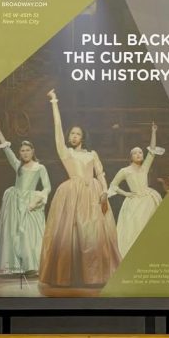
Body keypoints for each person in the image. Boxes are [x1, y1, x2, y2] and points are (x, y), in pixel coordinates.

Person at [38, 89, 121, 288]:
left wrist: (104, 191)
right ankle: (70, 275)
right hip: (72, 193)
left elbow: (100, 173)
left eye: (77, 133)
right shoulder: (66, 153)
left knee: (93, 234)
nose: (73, 136)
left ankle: (94, 276)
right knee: (71, 233)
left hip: (93, 193)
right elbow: (58, 128)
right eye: (71, 133)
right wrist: (54, 101)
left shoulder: (92, 154)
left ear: (82, 137)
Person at [0, 120, 51, 274]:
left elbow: (47, 187)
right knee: (14, 233)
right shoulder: (18, 165)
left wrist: (39, 198)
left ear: (33, 151)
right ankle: (16, 266)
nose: (25, 153)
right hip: (15, 201)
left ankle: (32, 265)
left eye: (27, 150)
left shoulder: (39, 167)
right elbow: (6, 149)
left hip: (30, 201)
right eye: (22, 150)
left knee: (30, 233)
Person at [108, 122, 165, 257]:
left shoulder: (145, 167)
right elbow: (113, 185)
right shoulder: (125, 171)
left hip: (148, 200)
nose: (139, 154)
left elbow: (152, 151)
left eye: (140, 152)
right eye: (135, 153)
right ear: (131, 156)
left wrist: (153, 132)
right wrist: (126, 193)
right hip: (134, 201)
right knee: (134, 228)